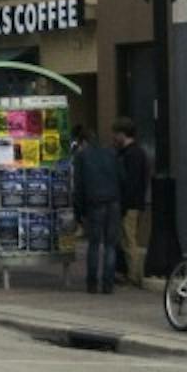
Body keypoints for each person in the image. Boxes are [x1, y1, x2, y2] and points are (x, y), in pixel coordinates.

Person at [70, 125, 122, 295]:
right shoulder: (111, 153)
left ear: (83, 142)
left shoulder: (82, 156)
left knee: (93, 244)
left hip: (94, 203)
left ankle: (92, 283)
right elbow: (123, 177)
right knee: (110, 245)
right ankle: (108, 284)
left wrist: (79, 212)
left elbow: (78, 186)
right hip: (113, 201)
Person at [112, 117, 151, 289]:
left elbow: (131, 183)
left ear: (123, 134)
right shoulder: (137, 152)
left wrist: (124, 205)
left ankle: (134, 276)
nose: (114, 137)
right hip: (134, 203)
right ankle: (131, 274)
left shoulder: (131, 154)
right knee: (128, 239)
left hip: (130, 204)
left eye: (116, 134)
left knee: (129, 240)